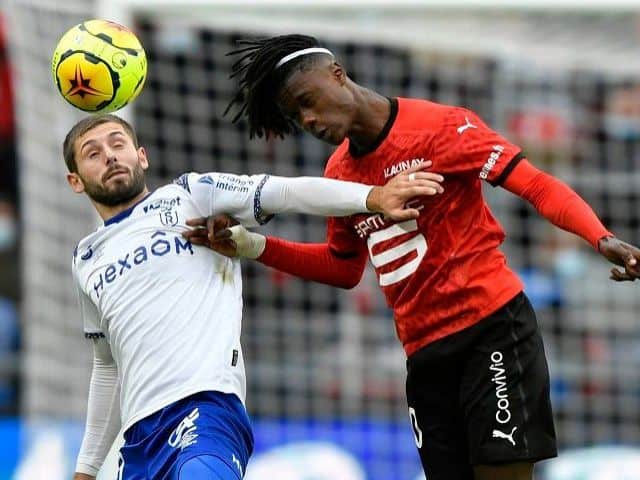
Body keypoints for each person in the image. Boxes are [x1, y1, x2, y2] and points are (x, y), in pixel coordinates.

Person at [186, 34, 640, 480]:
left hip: (492, 330)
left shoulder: (441, 128)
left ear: (337, 75)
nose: (309, 119)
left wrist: (600, 239)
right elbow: (343, 268)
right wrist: (252, 245)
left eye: (308, 100)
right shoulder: (339, 173)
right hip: (424, 356)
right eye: (296, 114)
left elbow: (536, 185)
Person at [65, 113, 444, 480]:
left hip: (205, 408)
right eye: (93, 153)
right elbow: (107, 367)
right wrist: (86, 470)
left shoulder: (190, 196)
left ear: (141, 156)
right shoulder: (87, 258)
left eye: (118, 144)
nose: (110, 156)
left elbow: (283, 191)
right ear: (75, 181)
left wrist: (374, 197)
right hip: (138, 443)